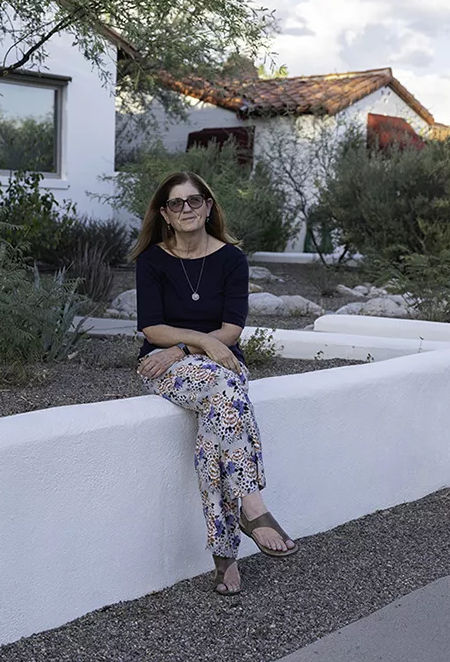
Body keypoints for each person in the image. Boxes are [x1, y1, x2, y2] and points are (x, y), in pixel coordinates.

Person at [132, 170, 298, 595]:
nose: (185, 209)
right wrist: (195, 343)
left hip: (210, 364)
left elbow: (232, 329)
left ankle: (224, 557)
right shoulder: (152, 260)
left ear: (208, 206)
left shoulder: (231, 259)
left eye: (194, 200)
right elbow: (152, 328)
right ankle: (252, 507)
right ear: (165, 215)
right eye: (175, 203)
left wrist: (188, 348)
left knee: (216, 429)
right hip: (163, 365)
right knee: (228, 390)